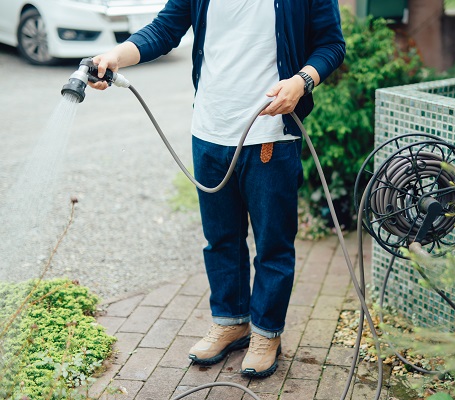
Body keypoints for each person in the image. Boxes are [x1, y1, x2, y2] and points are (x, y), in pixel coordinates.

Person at [90, 0, 345, 378]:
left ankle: (266, 332)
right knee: (220, 239)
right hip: (209, 133)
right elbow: (164, 30)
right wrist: (114, 56)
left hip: (270, 136)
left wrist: (302, 81)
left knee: (273, 245)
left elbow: (331, 45)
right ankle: (231, 321)